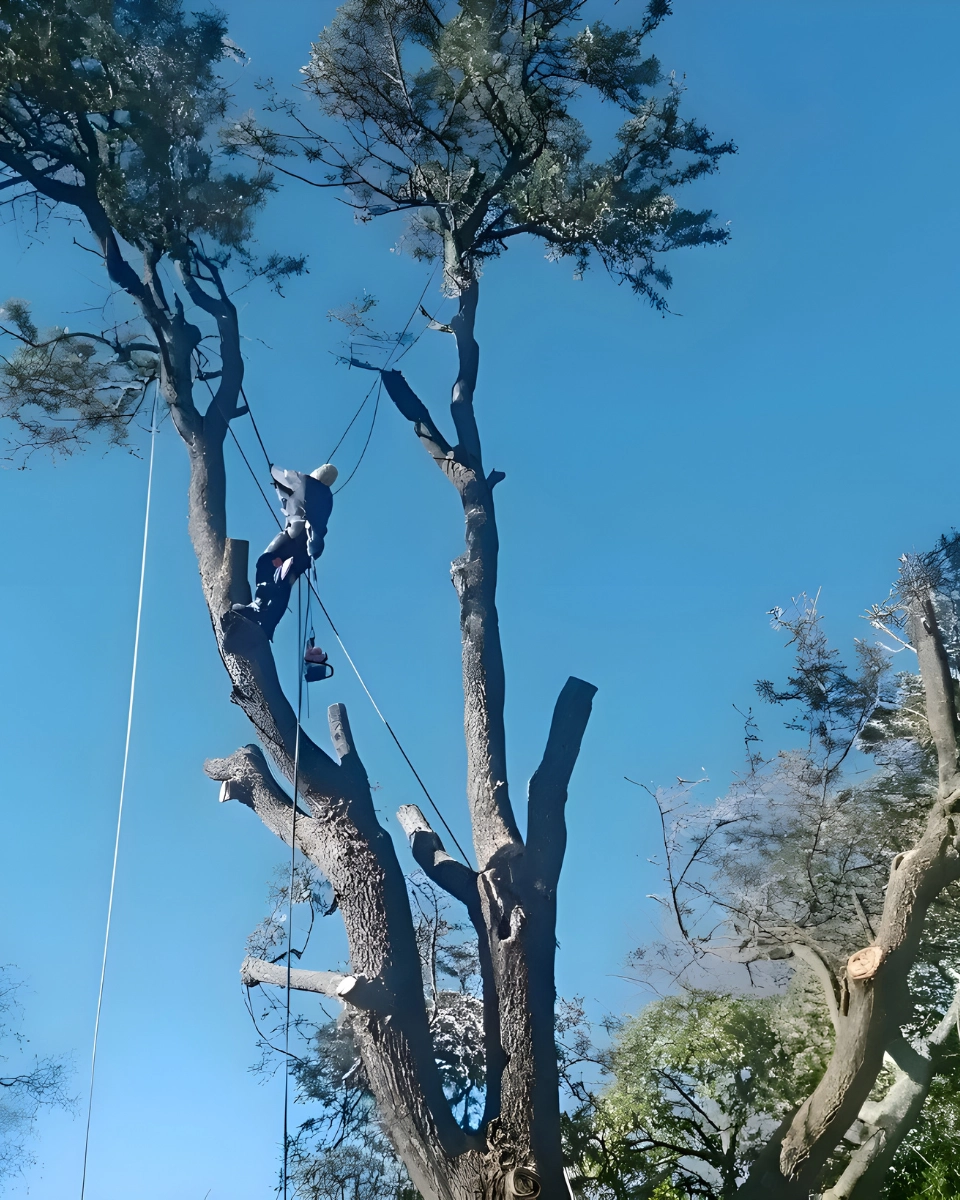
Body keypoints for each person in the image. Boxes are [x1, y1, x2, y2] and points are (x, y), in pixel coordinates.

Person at [234, 462, 338, 639]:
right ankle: (269, 623)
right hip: (305, 554)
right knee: (284, 583)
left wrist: (272, 469)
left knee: (267, 564)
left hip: (291, 541)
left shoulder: (303, 481)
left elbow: (280, 475)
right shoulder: (327, 499)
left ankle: (259, 607)